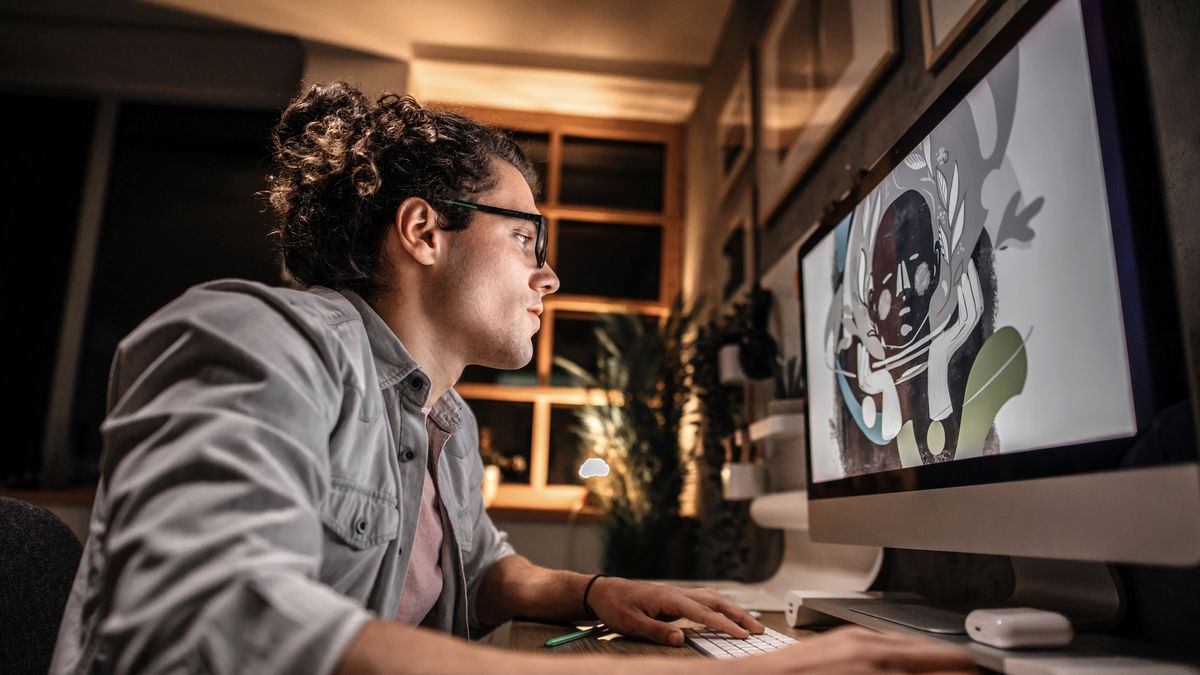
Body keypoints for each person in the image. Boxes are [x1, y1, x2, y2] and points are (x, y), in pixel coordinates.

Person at [49, 82, 976, 675]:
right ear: (423, 230)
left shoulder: (445, 422)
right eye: (527, 236)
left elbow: (484, 567)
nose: (550, 275)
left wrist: (591, 592)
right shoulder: (258, 338)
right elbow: (202, 618)